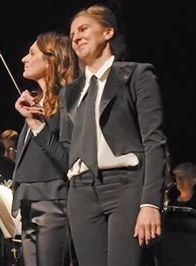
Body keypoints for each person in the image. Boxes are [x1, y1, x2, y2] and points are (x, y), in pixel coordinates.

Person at [63, 5, 167, 266]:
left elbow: (154, 141)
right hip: (81, 192)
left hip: (126, 186)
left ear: (108, 32)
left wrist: (150, 203)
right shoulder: (71, 92)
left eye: (84, 28)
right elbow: (68, 146)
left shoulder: (136, 75)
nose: (75, 37)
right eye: (72, 33)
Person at [7, 32, 78, 266]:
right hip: (28, 201)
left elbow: (67, 160)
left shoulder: (68, 99)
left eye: (32, 53)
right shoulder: (36, 103)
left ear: (51, 59)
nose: (24, 59)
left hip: (53, 202)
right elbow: (33, 157)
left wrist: (35, 123)